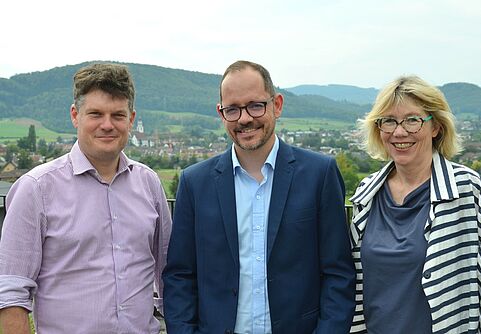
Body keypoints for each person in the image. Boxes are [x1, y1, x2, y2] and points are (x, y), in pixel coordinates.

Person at [163, 60, 355, 334]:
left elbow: (338, 274)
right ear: (221, 113)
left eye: (255, 105)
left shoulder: (319, 174)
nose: (244, 118)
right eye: (233, 109)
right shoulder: (195, 183)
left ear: (276, 104)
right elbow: (180, 276)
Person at [0, 63, 172, 334]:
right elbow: (11, 294)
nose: (107, 125)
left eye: (118, 115)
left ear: (131, 119)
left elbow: (167, 275)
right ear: (75, 115)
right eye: (95, 114)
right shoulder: (36, 189)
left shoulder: (149, 183)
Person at [349, 75, 481, 333]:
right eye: (389, 121)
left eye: (412, 120)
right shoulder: (367, 193)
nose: (399, 131)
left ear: (436, 127)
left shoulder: (467, 189)